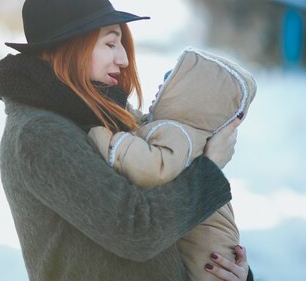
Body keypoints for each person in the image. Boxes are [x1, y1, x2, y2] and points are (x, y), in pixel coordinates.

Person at [0, 0, 252, 281]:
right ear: (68, 47)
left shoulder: (105, 118)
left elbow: (171, 234)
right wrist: (210, 168)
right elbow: (136, 231)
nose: (124, 59)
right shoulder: (39, 134)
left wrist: (227, 271)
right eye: (111, 43)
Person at [88, 47, 257, 281]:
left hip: (211, 263)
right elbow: (141, 127)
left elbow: (153, 167)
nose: (161, 86)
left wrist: (108, 139)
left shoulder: (180, 134)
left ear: (192, 98)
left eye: (171, 81)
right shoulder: (185, 132)